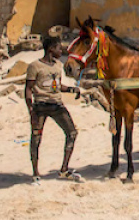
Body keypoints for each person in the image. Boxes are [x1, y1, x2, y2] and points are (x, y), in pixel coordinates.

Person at [25, 36, 82, 184]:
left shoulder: (57, 66)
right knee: (36, 138)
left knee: (72, 133)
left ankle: (64, 169)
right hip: (40, 106)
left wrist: (71, 89)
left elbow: (56, 85)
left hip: (56, 104)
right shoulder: (35, 66)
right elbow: (28, 89)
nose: (60, 51)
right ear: (51, 49)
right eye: (58, 48)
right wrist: (31, 110)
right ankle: (36, 173)